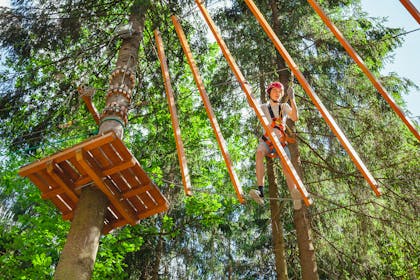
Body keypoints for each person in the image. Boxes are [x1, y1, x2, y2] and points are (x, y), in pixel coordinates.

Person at [249, 81, 302, 209]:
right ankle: (260, 192)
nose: (277, 94)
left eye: (279, 92)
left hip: (281, 143)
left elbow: (295, 117)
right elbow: (251, 103)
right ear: (269, 92)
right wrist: (247, 90)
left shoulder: (283, 107)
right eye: (275, 91)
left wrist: (292, 99)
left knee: (286, 166)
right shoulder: (263, 107)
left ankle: (294, 195)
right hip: (267, 141)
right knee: (260, 152)